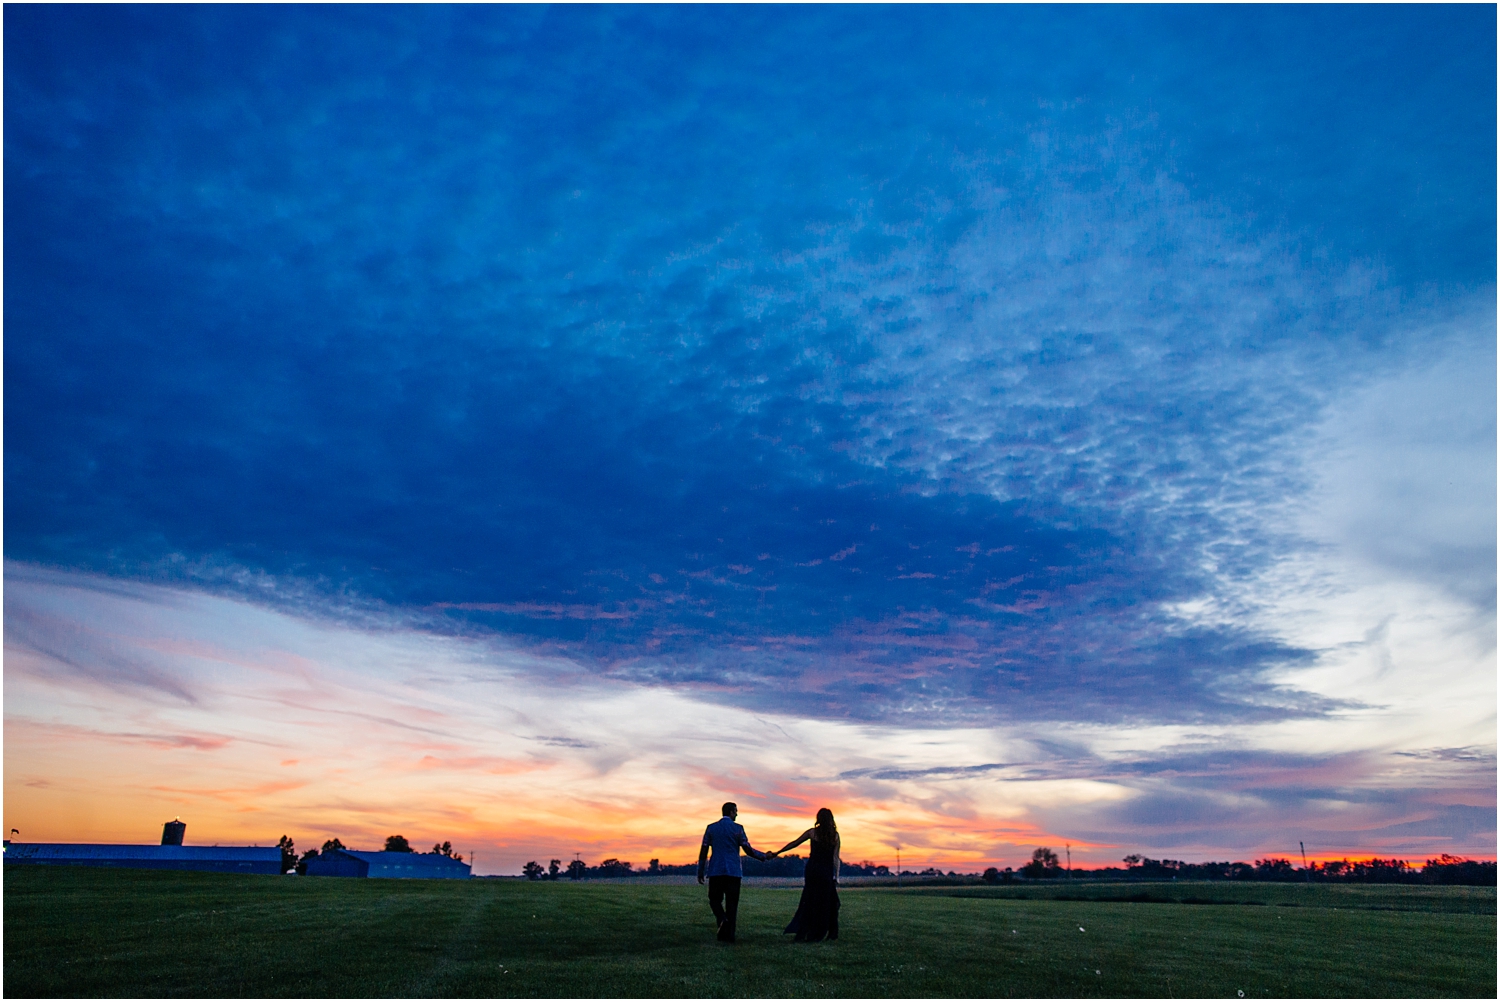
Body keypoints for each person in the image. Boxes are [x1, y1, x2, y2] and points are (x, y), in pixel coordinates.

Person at [697, 802, 770, 943]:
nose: (737, 814)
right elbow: (747, 849)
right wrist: (763, 856)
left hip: (716, 871)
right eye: (735, 811)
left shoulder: (711, 828)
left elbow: (704, 850)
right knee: (732, 904)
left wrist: (700, 870)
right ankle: (729, 935)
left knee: (714, 900)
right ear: (730, 812)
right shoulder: (738, 828)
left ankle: (722, 921)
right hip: (733, 872)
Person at [772, 807, 841, 942]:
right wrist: (836, 876)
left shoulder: (812, 832)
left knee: (809, 900)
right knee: (825, 902)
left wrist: (778, 852)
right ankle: (821, 933)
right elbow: (835, 858)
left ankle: (804, 931)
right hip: (826, 872)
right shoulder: (835, 835)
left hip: (812, 870)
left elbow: (795, 843)